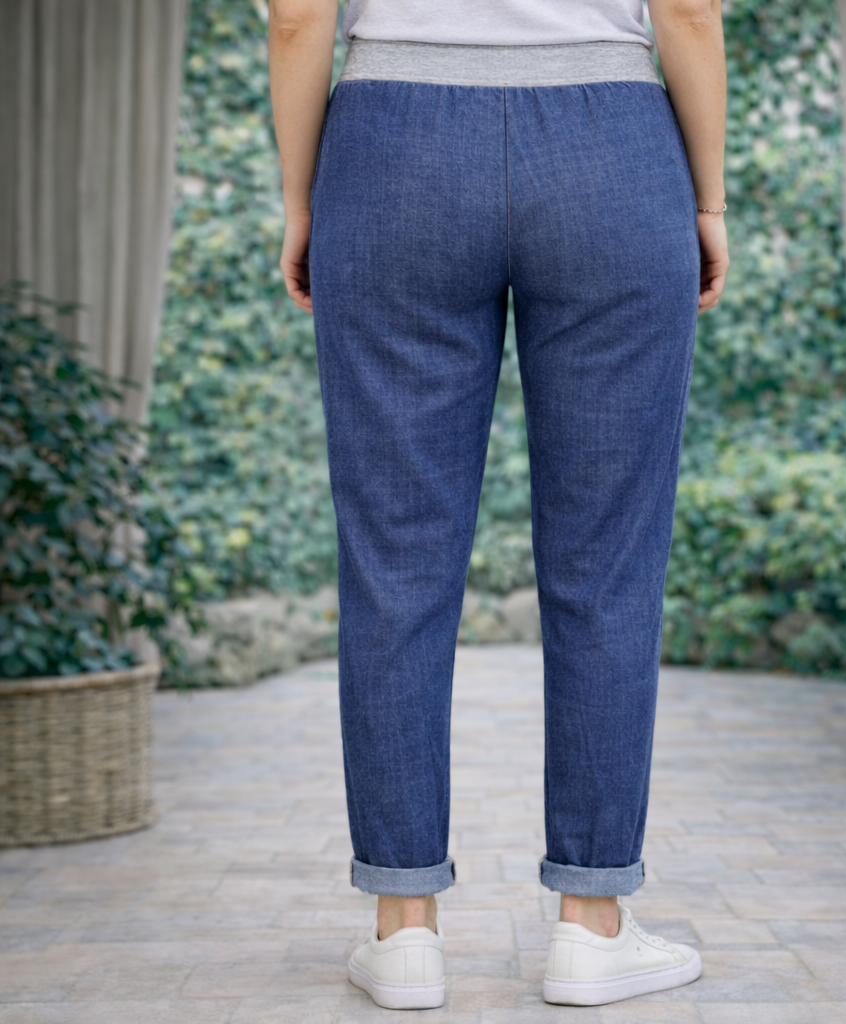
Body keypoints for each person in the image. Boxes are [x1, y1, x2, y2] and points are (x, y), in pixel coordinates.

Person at [269, 0, 728, 1009]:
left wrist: (303, 200)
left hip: (391, 151)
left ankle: (403, 932)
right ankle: (592, 927)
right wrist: (708, 202)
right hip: (612, 153)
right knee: (607, 567)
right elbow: (688, 10)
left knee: (393, 566)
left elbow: (299, 16)